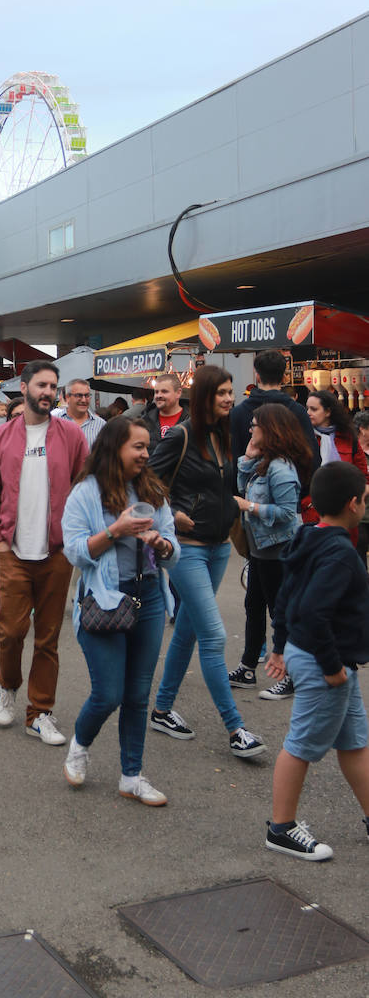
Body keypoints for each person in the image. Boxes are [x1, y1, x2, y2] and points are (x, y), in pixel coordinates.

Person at [148, 365, 267, 759]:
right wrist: (172, 511)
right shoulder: (181, 435)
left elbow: (225, 485)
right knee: (214, 636)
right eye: (221, 393)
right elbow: (145, 482)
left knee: (188, 630)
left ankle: (162, 710)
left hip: (218, 547)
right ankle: (236, 729)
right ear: (203, 397)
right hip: (187, 549)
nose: (230, 399)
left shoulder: (224, 436)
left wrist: (246, 462)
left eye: (231, 392)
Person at [63, 417, 180, 804]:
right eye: (138, 447)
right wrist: (117, 531)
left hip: (147, 598)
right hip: (104, 600)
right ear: (115, 449)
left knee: (138, 695)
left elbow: (173, 550)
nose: (146, 454)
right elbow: (75, 550)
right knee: (109, 693)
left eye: (148, 447)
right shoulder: (86, 493)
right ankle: (80, 744)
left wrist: (161, 545)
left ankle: (131, 775)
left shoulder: (152, 490)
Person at [0, 360, 87, 744]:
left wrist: (75, 536)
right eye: (41, 384)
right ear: (23, 388)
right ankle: (8, 686)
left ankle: (40, 711)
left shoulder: (71, 436)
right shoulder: (2, 437)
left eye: (53, 386)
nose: (47, 392)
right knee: (11, 631)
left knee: (48, 637)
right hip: (14, 551)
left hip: (57, 553)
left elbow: (85, 486)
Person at [263, 462, 369, 860]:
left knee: (355, 742)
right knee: (301, 745)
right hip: (326, 664)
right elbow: (313, 610)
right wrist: (331, 668)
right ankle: (281, 828)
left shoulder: (310, 536)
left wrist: (278, 646)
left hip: (322, 659)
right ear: (352, 504)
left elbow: (288, 595)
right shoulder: (341, 553)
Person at [230, 403, 312, 693]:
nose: (251, 430)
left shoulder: (281, 467)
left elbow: (288, 514)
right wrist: (247, 458)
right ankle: (248, 666)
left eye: (255, 425)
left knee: (280, 612)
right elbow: (242, 486)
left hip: (278, 549)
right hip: (261, 549)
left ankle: (291, 675)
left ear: (271, 430)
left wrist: (249, 507)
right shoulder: (264, 461)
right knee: (254, 606)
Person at [230, 349, 318, 467]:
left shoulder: (237, 413)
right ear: (283, 377)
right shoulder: (298, 411)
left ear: (257, 377)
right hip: (291, 483)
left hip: (247, 481)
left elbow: (232, 457)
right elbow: (312, 457)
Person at [52, 378, 105, 450]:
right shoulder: (54, 423)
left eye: (87, 395)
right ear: (67, 397)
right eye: (79, 395)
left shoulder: (101, 425)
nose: (83, 400)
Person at [142, 372, 189, 440]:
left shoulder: (193, 421)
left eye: (164, 391)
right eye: (156, 392)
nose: (159, 395)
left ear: (178, 393)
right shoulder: (144, 421)